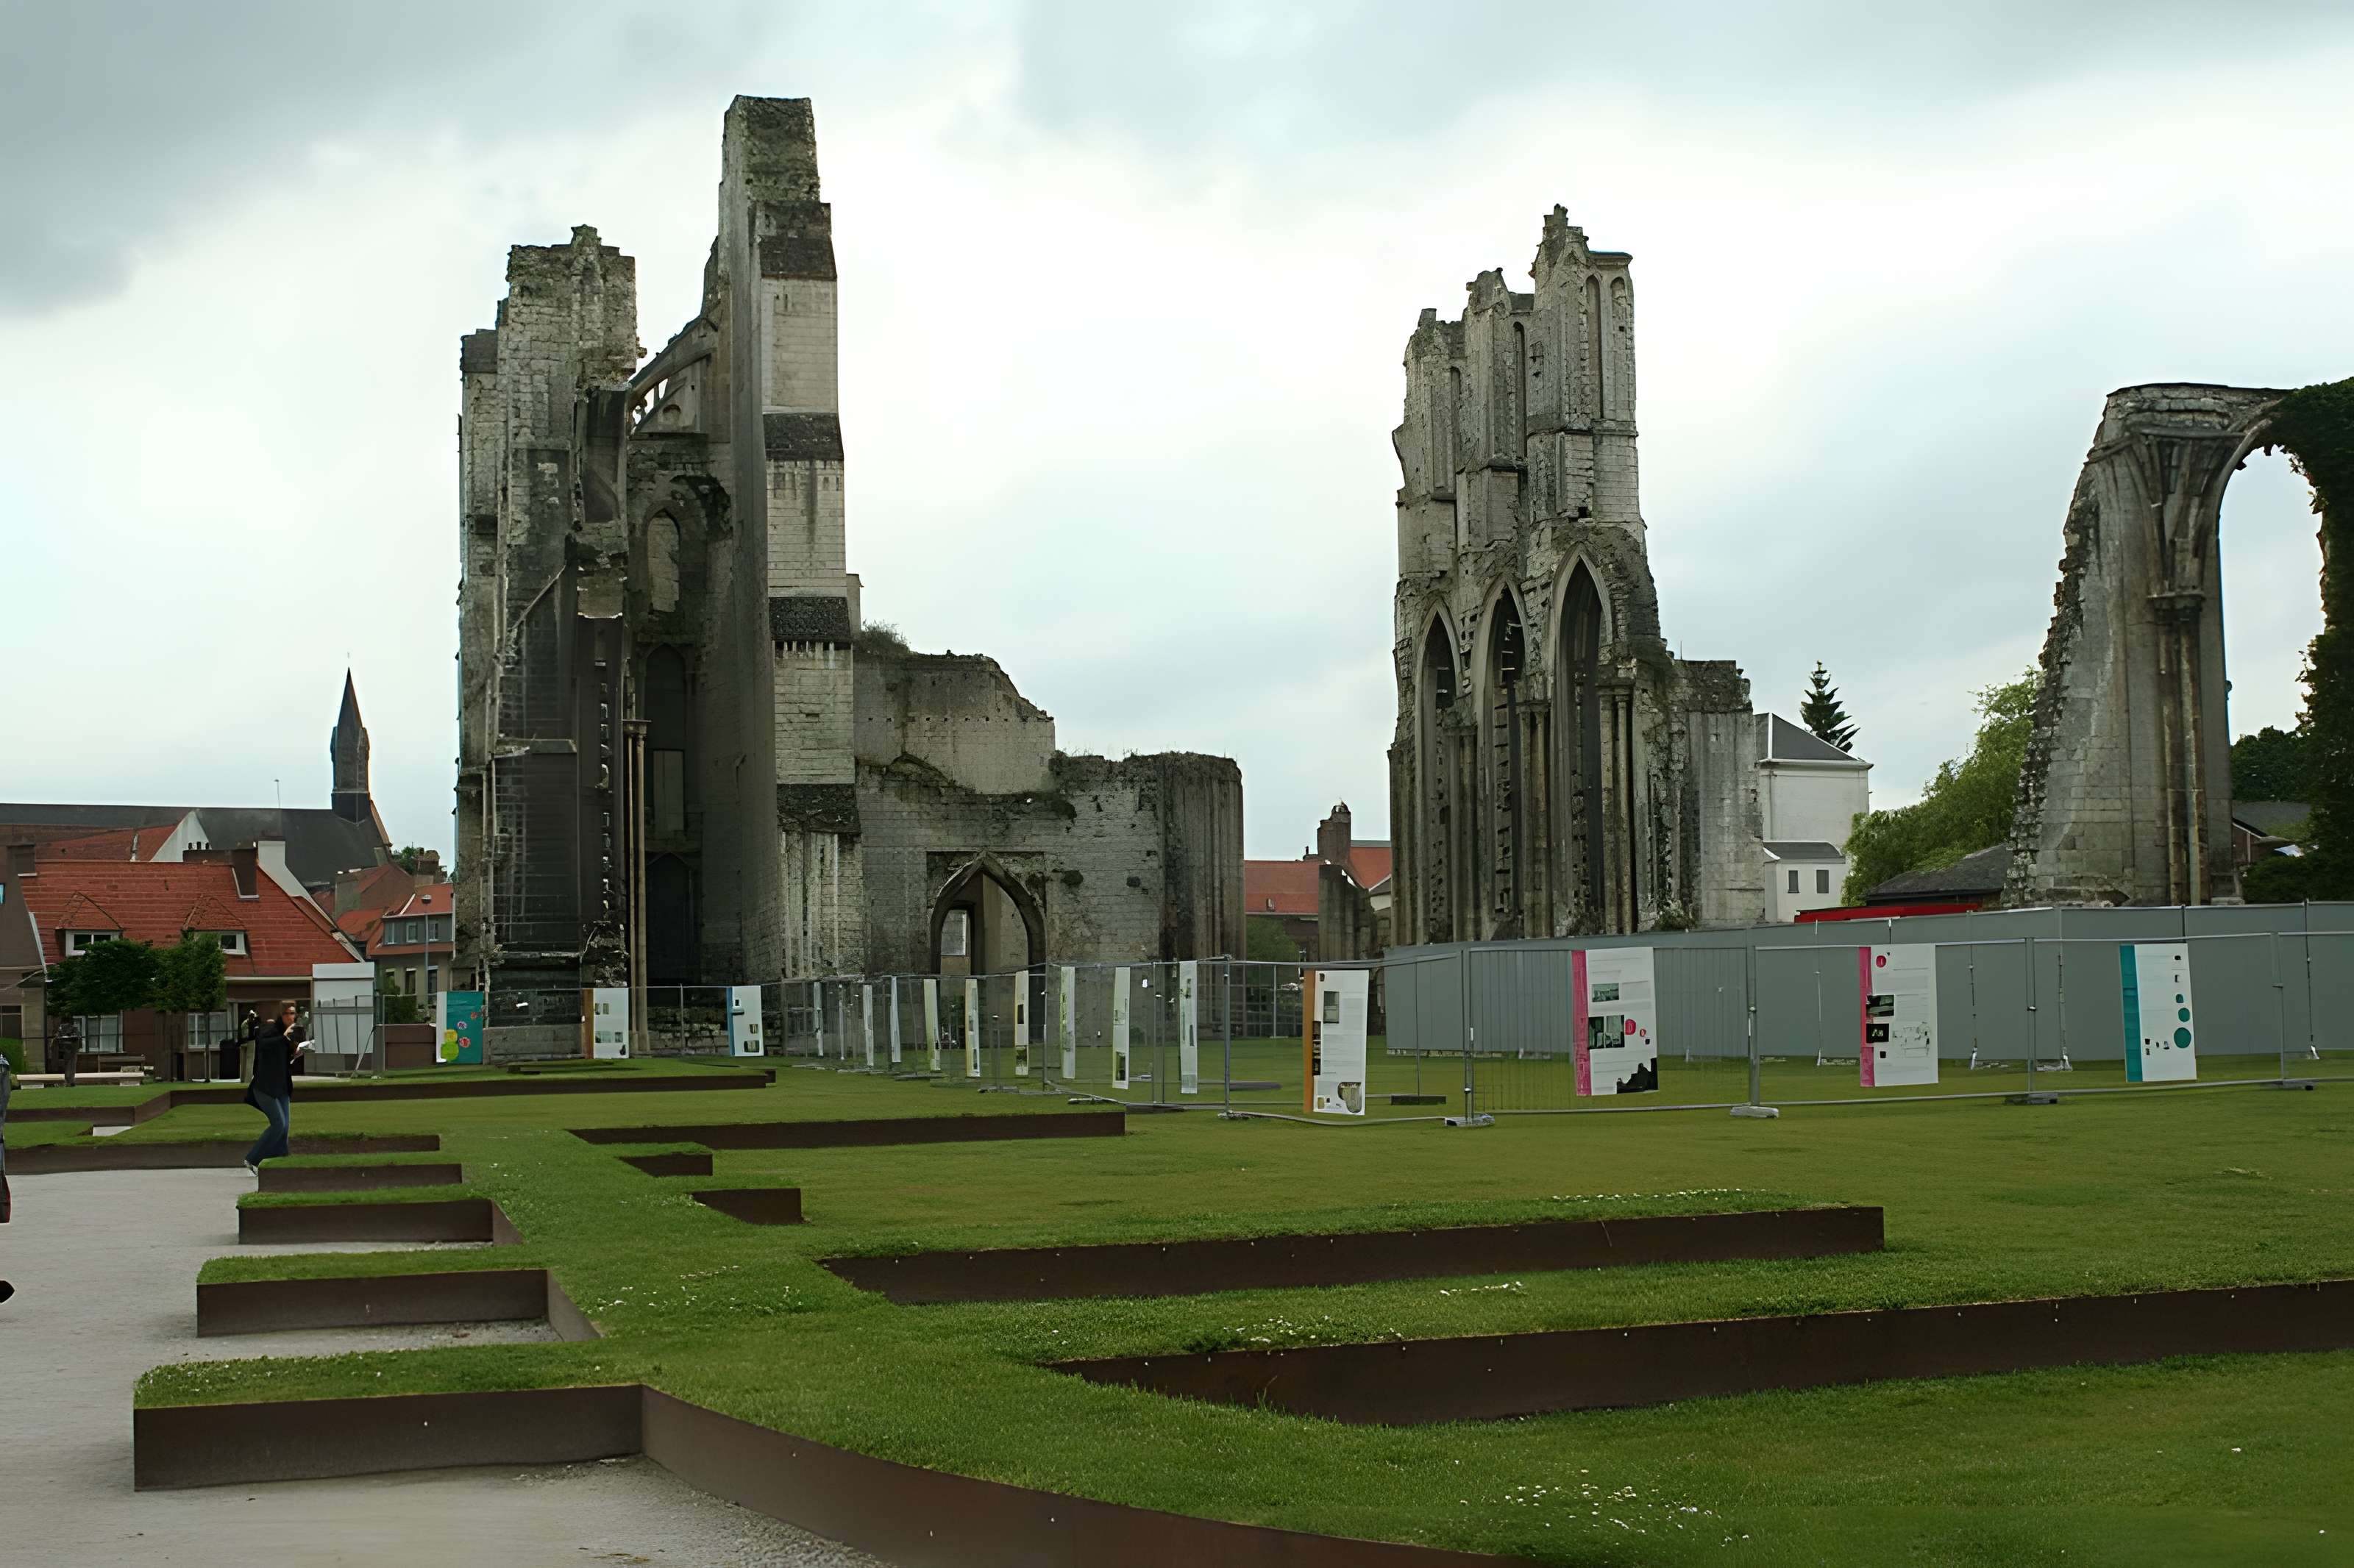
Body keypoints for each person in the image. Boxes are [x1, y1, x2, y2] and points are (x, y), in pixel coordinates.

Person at [242, 1003, 307, 1175]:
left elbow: (282, 1060)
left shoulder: (287, 1036)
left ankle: (281, 1157)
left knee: (285, 1127)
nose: (292, 1018)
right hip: (265, 1087)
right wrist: (283, 1038)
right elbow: (263, 1044)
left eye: (294, 1014)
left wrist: (295, 1054)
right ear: (281, 1015)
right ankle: (252, 1159)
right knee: (278, 1124)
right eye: (288, 1014)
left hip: (282, 1087)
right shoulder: (269, 1029)